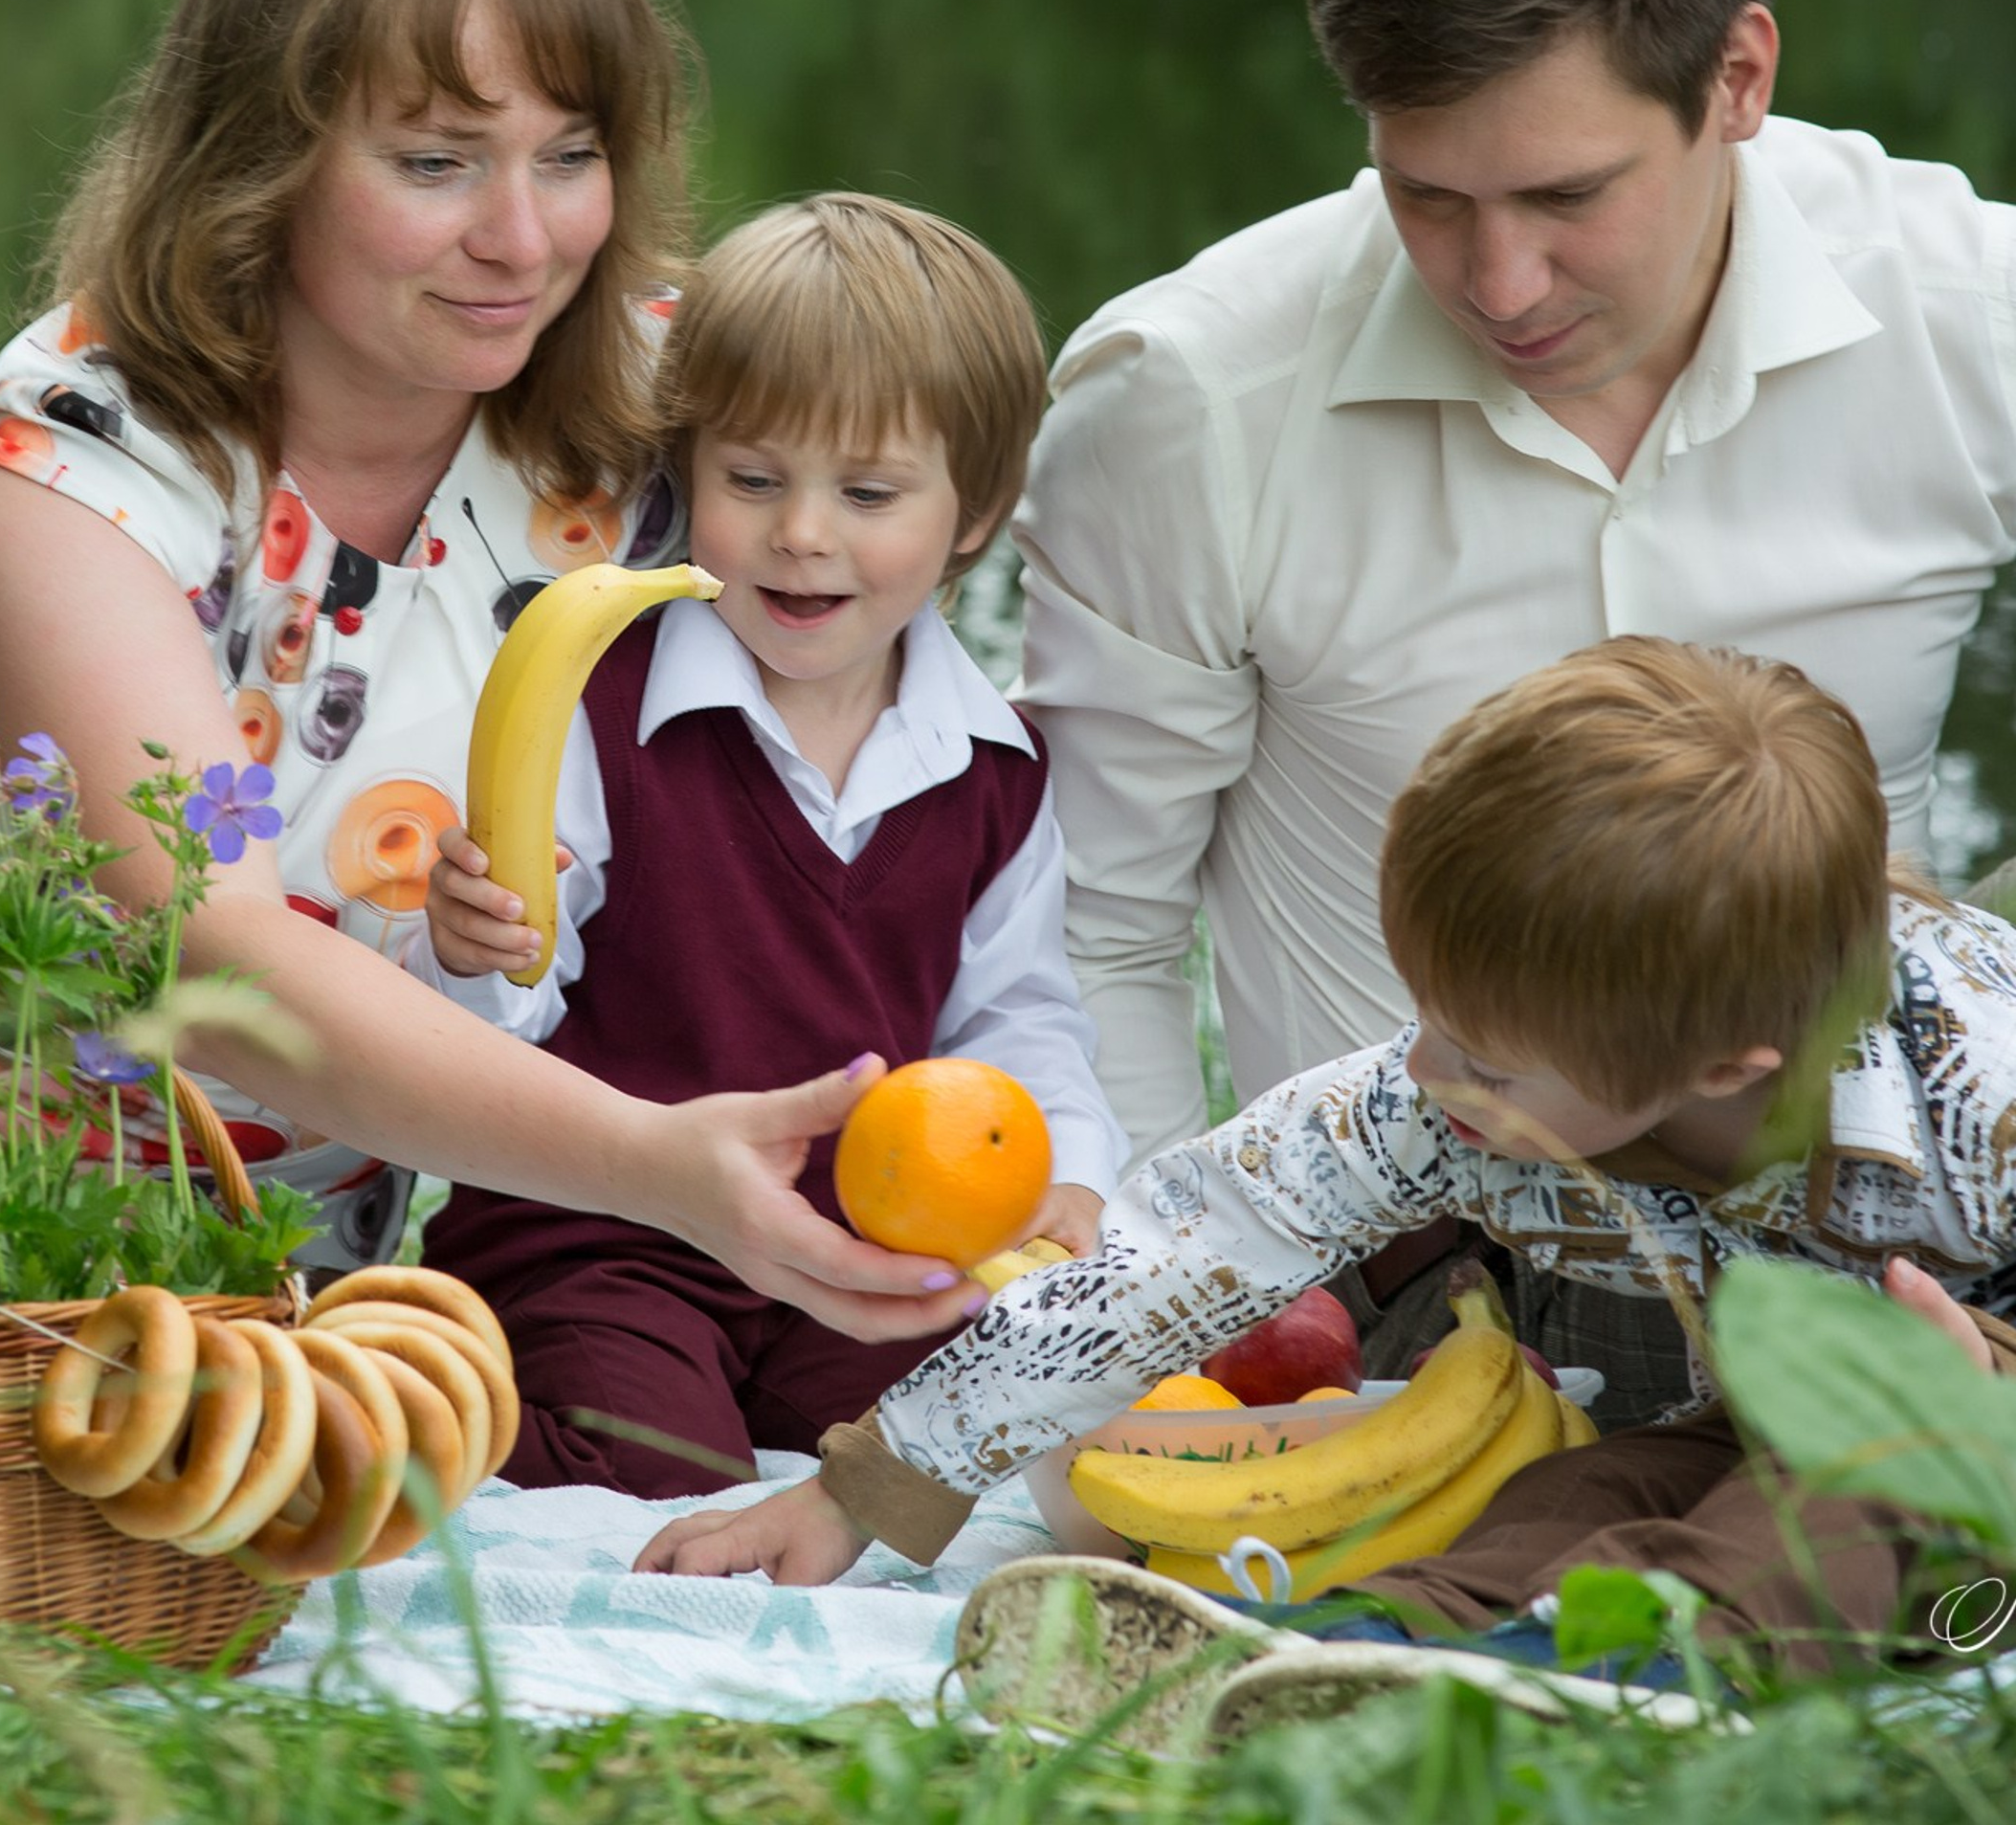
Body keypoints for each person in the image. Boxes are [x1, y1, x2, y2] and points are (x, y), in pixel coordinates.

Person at [0, 0, 988, 1337]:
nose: (524, 239)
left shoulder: (670, 399)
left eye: (571, 154)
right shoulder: (65, 462)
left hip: (287, 1282)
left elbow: (960, 480)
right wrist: (655, 1165)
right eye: (437, 161)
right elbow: (209, 961)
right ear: (260, 160)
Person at [1016, 0, 2016, 1234]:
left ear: (1737, 76)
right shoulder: (1184, 403)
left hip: (1873, 1288)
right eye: (1427, 191)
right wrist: (1187, 1325)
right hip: (1393, 1295)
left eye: (1567, 195)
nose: (1500, 280)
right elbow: (1090, 934)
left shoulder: (1972, 320)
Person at [637, 639, 2016, 1710]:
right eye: (1427, 1016)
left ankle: (1650, 1685)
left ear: (1726, 1065)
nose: (1424, 1071)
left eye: (1486, 1060)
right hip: (1726, 1408)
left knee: (1854, 1489)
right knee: (1578, 1497)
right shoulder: (1453, 1087)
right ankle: (1371, 1655)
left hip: (1956, 1435)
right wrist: (861, 1490)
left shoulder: (1981, 1099)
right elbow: (1187, 1248)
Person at [412, 193, 1127, 1495]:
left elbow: (1018, 1021)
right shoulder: (597, 704)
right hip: (603, 1228)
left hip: (845, 1245)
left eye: (867, 492)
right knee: (655, 1460)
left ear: (975, 514)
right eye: (753, 480)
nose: (803, 532)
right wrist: (474, 950)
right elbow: (501, 1024)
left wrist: (1066, 1180)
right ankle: (429, 1406)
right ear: (689, 473)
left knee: (947, 1443)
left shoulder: (992, 773)